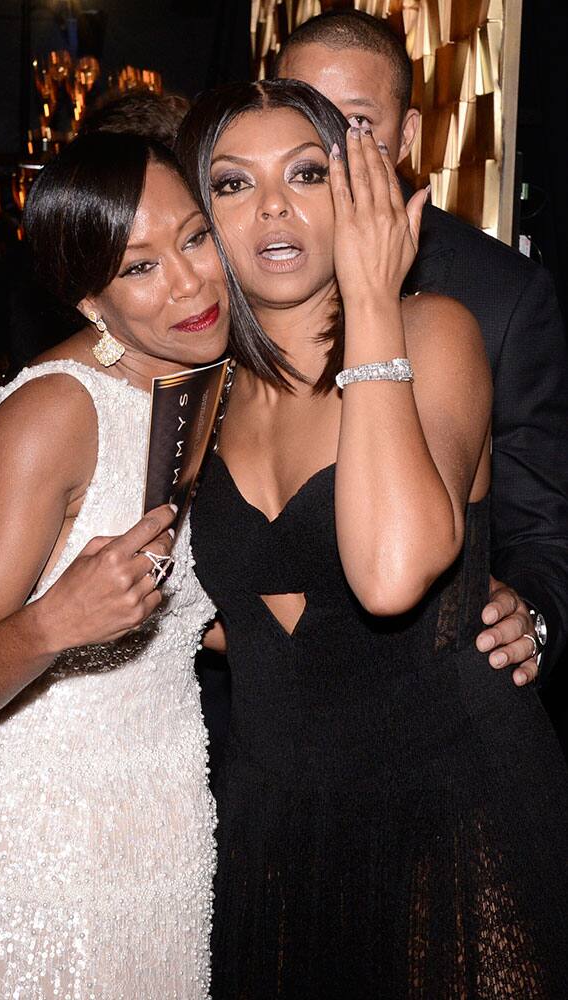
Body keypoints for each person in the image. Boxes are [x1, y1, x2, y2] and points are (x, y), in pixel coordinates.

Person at [176, 78, 568, 998]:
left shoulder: (435, 332)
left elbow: (390, 574)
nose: (271, 205)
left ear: (363, 192)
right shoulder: (202, 393)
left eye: (306, 173)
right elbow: (230, 612)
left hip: (453, 808)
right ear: (202, 219)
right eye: (232, 184)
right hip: (273, 821)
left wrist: (372, 299)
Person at [0, 132, 229, 998]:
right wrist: (53, 622)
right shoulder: (55, 414)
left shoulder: (225, 378)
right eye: (139, 267)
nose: (187, 283)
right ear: (91, 300)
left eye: (194, 238)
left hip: (156, 836)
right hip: (6, 847)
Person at [274, 9, 568, 695]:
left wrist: (534, 619)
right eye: (300, 117)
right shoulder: (240, 270)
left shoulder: (498, 294)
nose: (326, 151)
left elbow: (544, 529)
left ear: (406, 136)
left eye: (356, 124)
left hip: (430, 692)